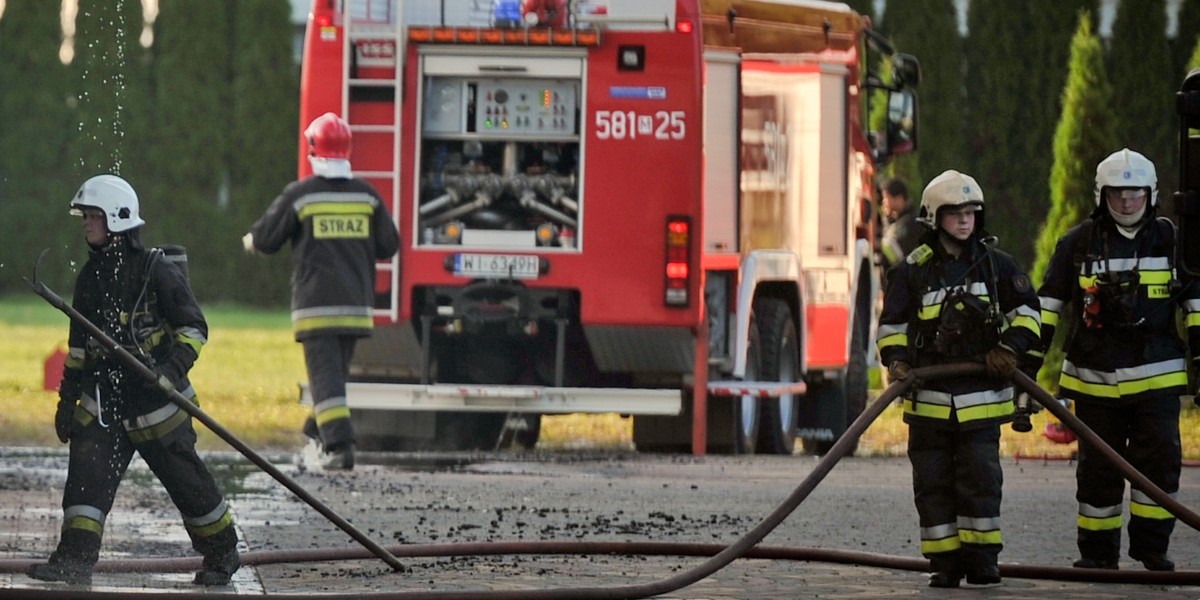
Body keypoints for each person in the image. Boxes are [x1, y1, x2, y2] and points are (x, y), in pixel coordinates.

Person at [27, 174, 241, 586]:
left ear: (117, 218)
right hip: (104, 409)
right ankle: (73, 561)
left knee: (191, 487)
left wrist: (171, 372)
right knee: (85, 486)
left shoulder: (156, 271)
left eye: (92, 216)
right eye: (85, 216)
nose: (86, 223)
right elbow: (77, 352)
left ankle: (222, 555)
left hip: (158, 408)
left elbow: (194, 328)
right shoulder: (89, 280)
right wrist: (66, 403)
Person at [876, 170, 1041, 588]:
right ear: (935, 217)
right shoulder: (913, 272)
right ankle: (944, 563)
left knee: (981, 483)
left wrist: (1009, 349)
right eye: (956, 214)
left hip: (981, 401)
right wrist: (897, 362)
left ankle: (983, 561)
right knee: (932, 485)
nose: (965, 221)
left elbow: (1029, 314)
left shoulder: (997, 267)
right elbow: (891, 326)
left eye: (971, 213)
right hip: (928, 400)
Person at [1037, 148, 1200, 572]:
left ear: (1151, 194)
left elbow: (1197, 305)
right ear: (1101, 195)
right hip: (1095, 384)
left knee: (1159, 466)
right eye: (1118, 194)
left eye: (1135, 193)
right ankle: (1096, 553)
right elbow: (1047, 309)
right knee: (1097, 473)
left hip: (1157, 384)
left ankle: (1151, 549)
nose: (1127, 202)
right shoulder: (1077, 244)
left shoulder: (1173, 241)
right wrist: (1024, 366)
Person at [243, 112, 400, 471]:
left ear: (313, 148)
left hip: (316, 308)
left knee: (326, 379)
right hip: (357, 307)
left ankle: (340, 447)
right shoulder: (368, 196)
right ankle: (316, 436)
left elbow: (266, 239)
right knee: (333, 379)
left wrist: (251, 241)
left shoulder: (302, 196)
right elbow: (389, 245)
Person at [879, 177, 923, 273]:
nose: (884, 202)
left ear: (899, 199)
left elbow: (895, 256)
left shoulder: (909, 225)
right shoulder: (898, 223)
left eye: (886, 197)